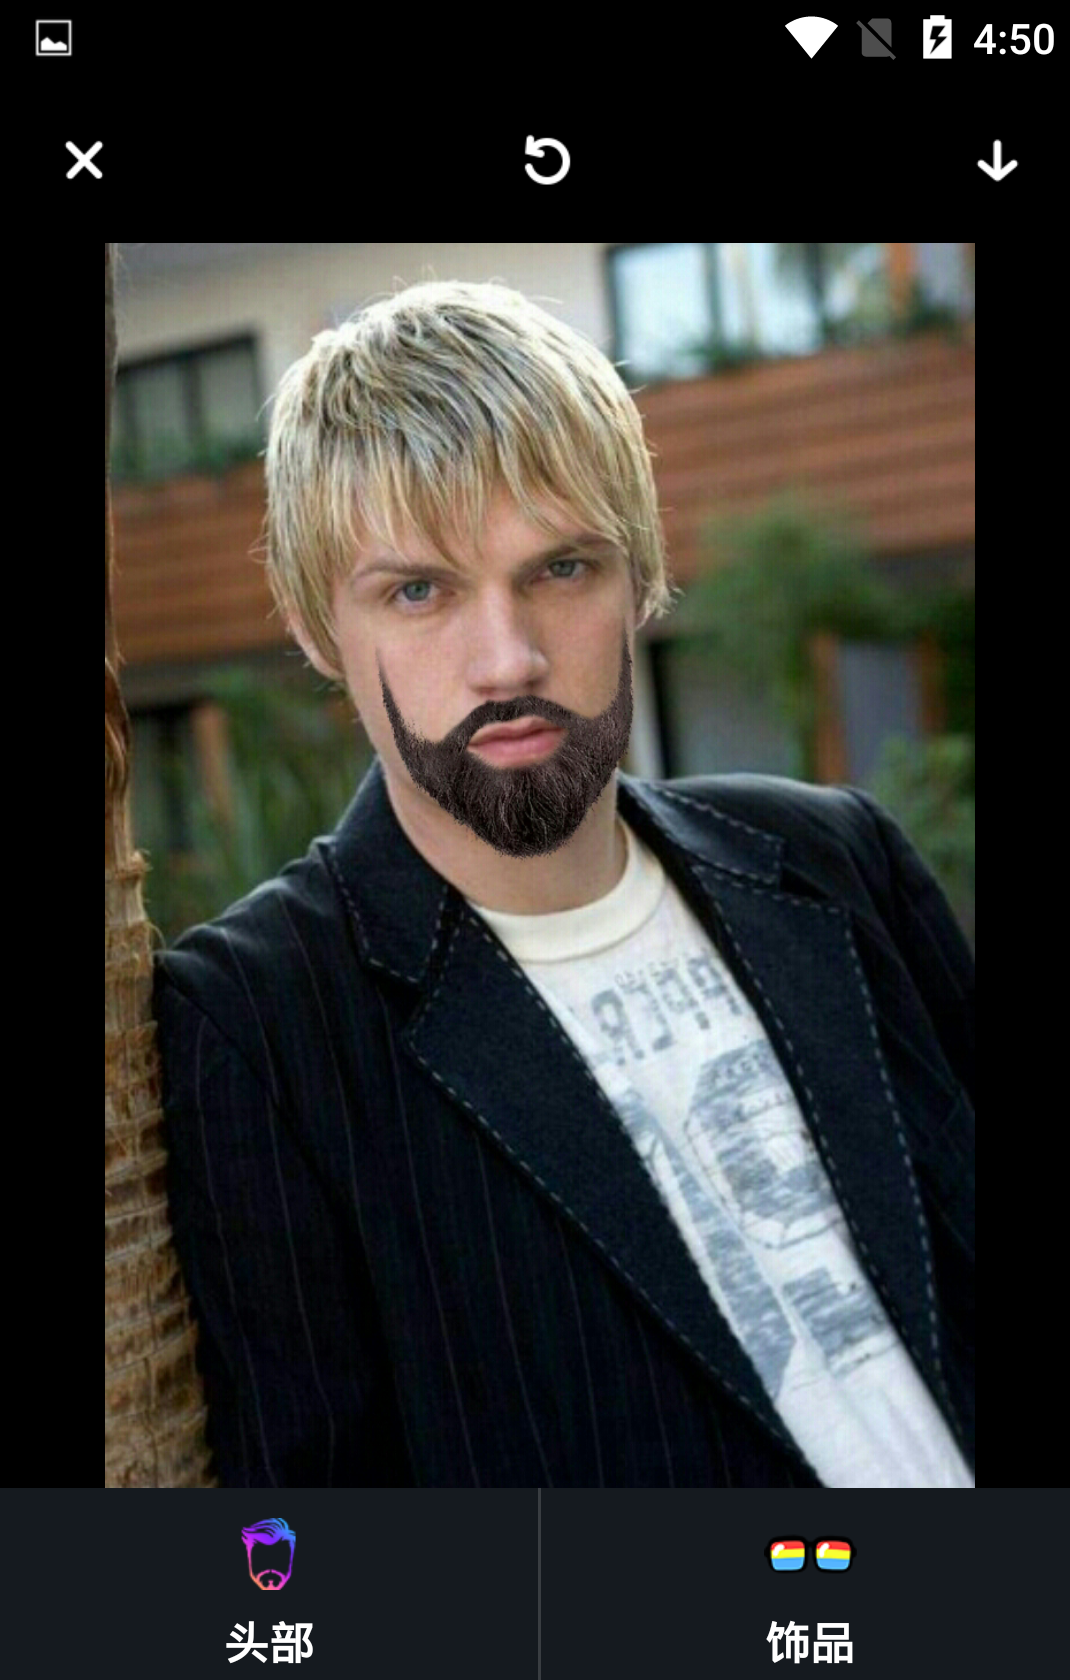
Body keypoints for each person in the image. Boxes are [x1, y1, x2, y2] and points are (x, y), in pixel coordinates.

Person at [153, 279, 974, 1489]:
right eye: (418, 591)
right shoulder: (256, 1020)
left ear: (640, 575)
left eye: (562, 568)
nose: (509, 659)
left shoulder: (838, 859)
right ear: (318, 628)